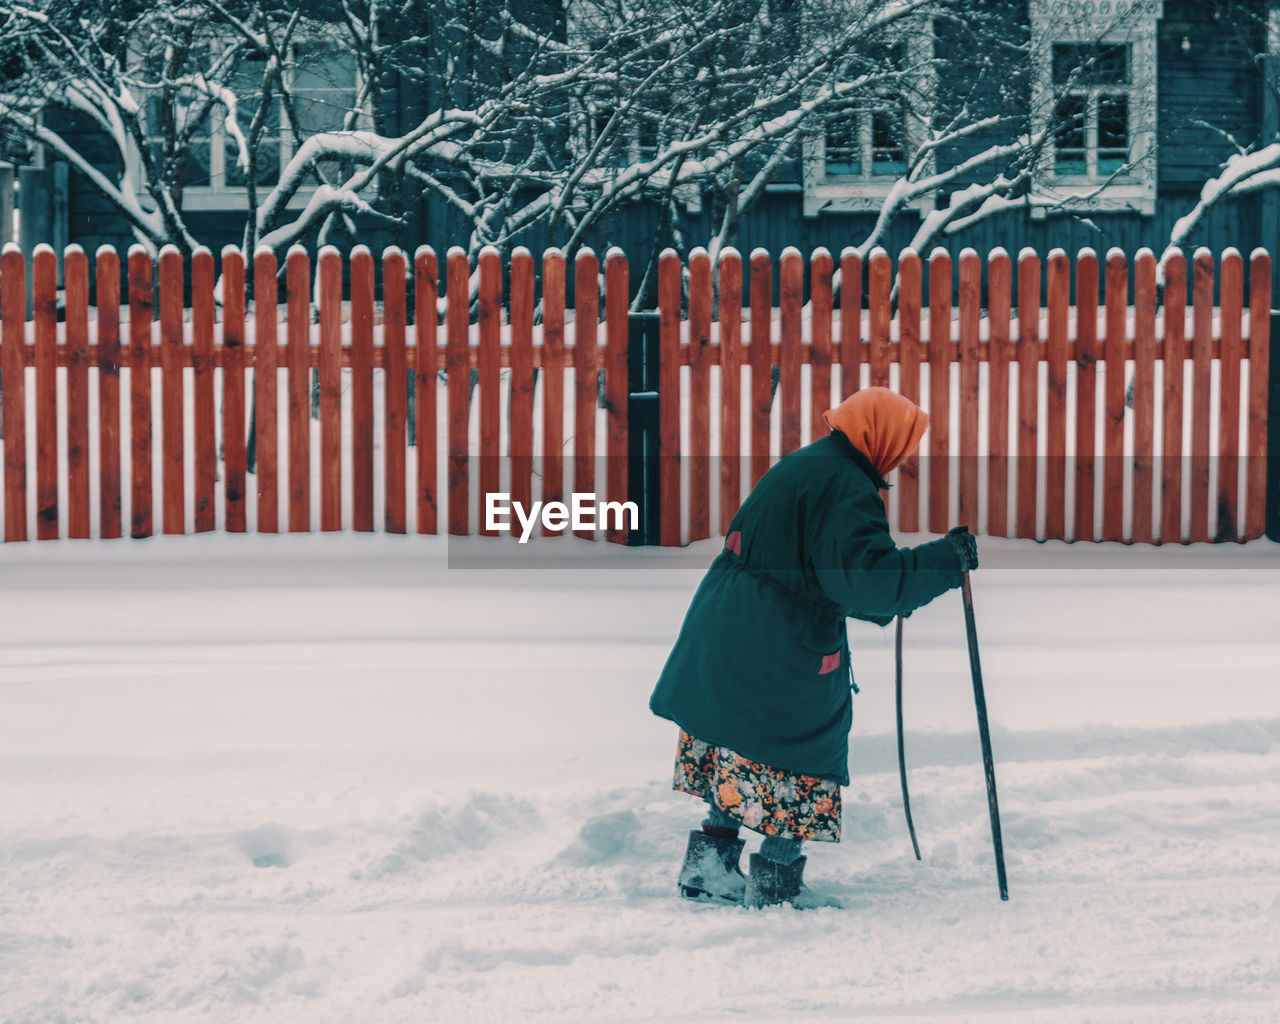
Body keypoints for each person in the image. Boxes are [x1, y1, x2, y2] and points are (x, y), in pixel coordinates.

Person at [650, 386, 979, 909]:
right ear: (882, 436)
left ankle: (709, 868)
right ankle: (776, 883)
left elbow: (838, 575)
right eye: (905, 441)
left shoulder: (813, 464)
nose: (905, 454)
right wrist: (946, 559)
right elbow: (867, 583)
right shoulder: (844, 485)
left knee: (740, 745)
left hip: (733, 626)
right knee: (798, 755)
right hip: (779, 642)